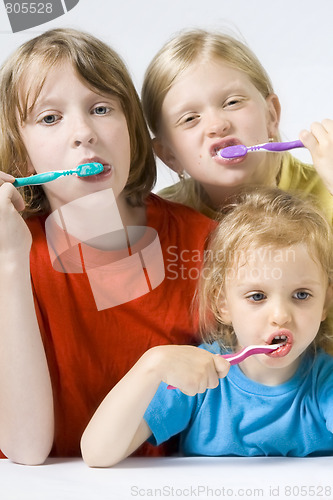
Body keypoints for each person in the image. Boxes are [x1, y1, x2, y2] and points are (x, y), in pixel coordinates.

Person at [0, 28, 215, 464]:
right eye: (49, 118)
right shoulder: (14, 252)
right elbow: (25, 449)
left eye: (101, 108)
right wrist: (8, 261)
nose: (84, 133)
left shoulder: (203, 244)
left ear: (132, 131)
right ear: (22, 159)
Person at [81, 187, 333, 467]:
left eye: (301, 295)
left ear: (325, 302)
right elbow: (97, 453)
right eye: (257, 296)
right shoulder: (199, 377)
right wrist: (151, 365)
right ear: (222, 303)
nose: (280, 315)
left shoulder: (325, 382)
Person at [141, 29, 333, 221]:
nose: (217, 125)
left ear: (271, 116)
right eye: (190, 119)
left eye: (232, 102)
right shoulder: (161, 221)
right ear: (169, 155)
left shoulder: (327, 191)